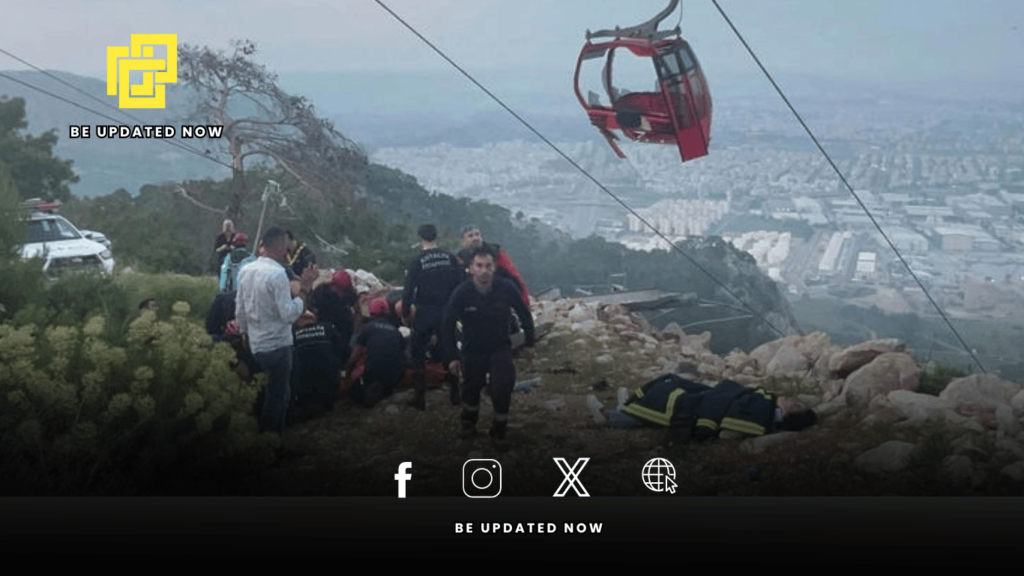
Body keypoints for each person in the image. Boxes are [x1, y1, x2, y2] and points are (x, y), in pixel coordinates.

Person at [441, 246, 535, 451]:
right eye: (479, 266)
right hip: (472, 350)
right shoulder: (462, 292)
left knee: (502, 388)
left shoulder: (506, 288)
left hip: (500, 348)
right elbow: (447, 325)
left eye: (488, 265)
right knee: (471, 389)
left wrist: (529, 343)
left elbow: (524, 313)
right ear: (471, 268)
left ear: (494, 267)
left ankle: (499, 430)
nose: (484, 270)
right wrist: (451, 357)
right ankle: (468, 423)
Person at [235, 226, 318, 435]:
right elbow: (288, 314)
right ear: (283, 249)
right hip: (277, 345)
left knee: (264, 394)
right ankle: (270, 444)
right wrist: (305, 290)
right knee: (278, 398)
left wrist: (244, 333)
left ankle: (261, 438)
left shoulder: (246, 270)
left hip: (255, 343)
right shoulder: (277, 274)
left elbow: (240, 308)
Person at [608, 374, 818, 441]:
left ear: (789, 414)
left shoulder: (763, 415)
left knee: (674, 399)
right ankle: (629, 404)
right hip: (715, 397)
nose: (792, 399)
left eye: (797, 405)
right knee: (674, 382)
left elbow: (729, 427)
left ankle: (615, 415)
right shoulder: (766, 404)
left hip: (706, 407)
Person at [402, 223, 466, 410]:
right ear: (437, 237)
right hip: (447, 311)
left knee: (418, 353)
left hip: (424, 312)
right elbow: (461, 285)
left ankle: (419, 397)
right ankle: (455, 393)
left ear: (420, 238)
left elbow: (407, 292)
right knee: (450, 350)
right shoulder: (450, 258)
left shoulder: (416, 261)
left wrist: (406, 314)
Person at [346, 298, 405, 408]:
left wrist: (346, 373)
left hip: (374, 373)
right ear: (387, 312)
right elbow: (403, 355)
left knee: (352, 394)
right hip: (396, 376)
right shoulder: (396, 331)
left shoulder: (366, 329)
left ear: (371, 313)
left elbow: (354, 357)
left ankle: (370, 391)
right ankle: (384, 390)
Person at [456, 224, 530, 306]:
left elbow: (514, 275)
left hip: (501, 296)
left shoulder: (496, 252)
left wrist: (524, 300)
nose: (475, 238)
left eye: (477, 234)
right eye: (470, 236)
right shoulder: (460, 258)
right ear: (463, 241)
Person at [308, 269, 357, 365]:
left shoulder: (349, 296)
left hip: (342, 328)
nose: (341, 292)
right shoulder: (321, 293)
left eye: (344, 290)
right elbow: (313, 308)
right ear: (333, 285)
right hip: (324, 328)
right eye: (340, 289)